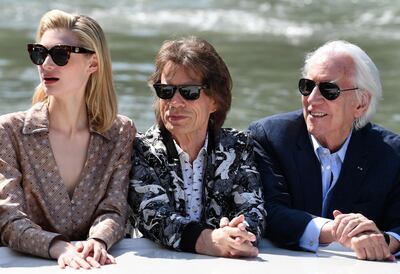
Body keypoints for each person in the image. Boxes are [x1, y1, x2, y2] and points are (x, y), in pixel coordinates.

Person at [0, 10, 135, 269]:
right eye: (39, 53)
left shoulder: (120, 133)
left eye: (60, 54)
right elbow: (9, 218)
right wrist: (57, 247)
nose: (46, 64)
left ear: (93, 63)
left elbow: (114, 209)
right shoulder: (9, 131)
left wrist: (98, 241)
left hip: (95, 266)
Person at [249, 40, 400, 261]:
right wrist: (338, 230)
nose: (311, 100)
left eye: (329, 90)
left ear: (361, 104)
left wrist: (384, 240)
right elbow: (268, 210)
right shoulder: (270, 137)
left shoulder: (393, 153)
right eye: (307, 86)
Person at [128, 36, 266, 258]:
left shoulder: (239, 146)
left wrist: (239, 234)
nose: (174, 102)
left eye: (189, 92)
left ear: (216, 101)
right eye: (166, 91)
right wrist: (211, 241)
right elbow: (155, 216)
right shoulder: (140, 149)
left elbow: (253, 210)